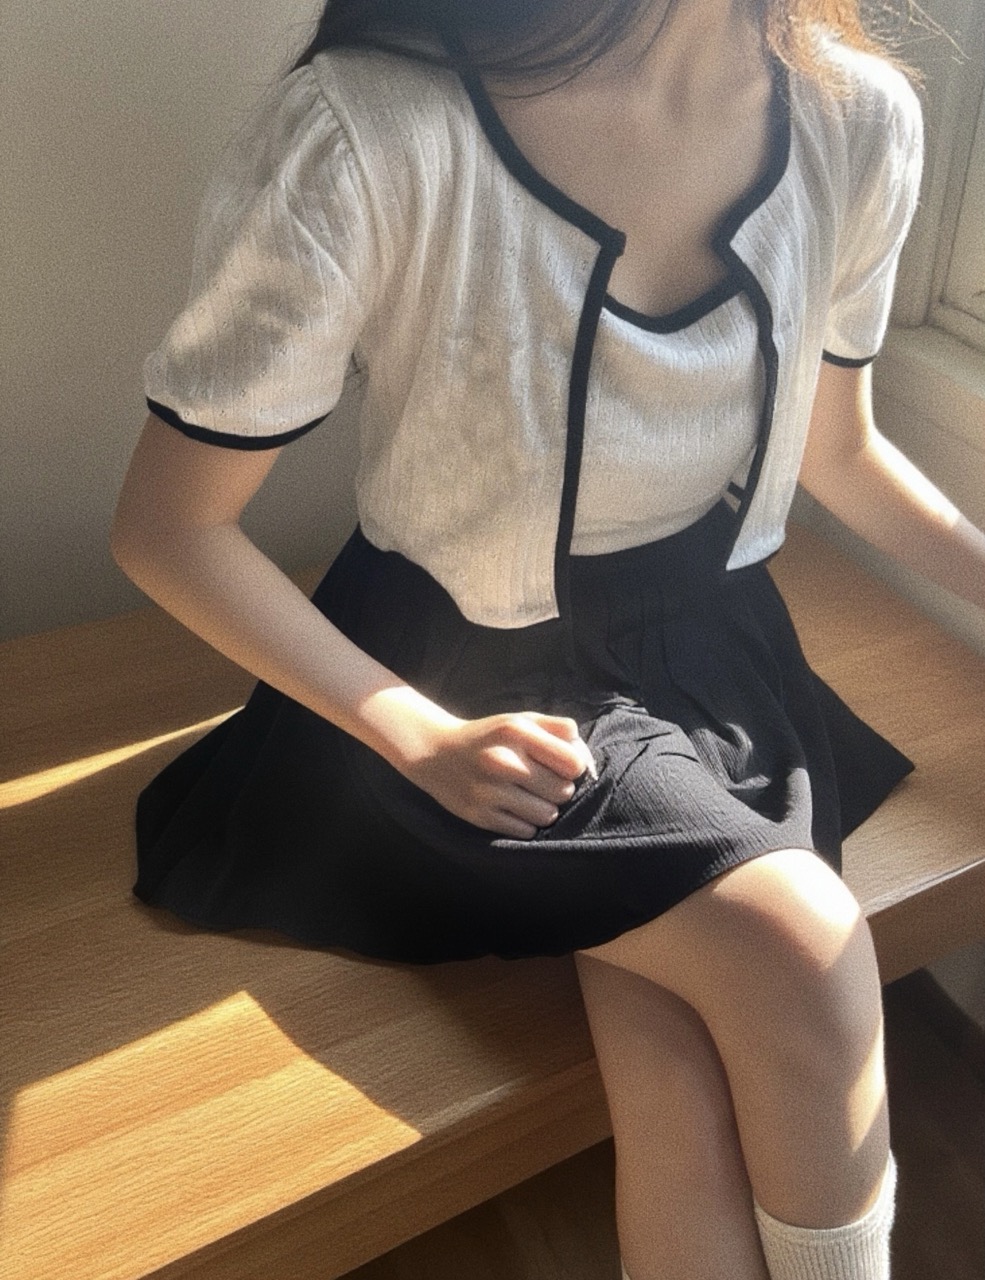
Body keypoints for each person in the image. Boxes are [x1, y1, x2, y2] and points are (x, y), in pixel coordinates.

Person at [111, 2, 985, 1277]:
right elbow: (167, 527)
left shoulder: (857, 118)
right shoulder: (373, 129)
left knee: (679, 1068)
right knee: (799, 945)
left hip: (717, 654)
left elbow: (834, 448)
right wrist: (414, 733)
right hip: (453, 676)